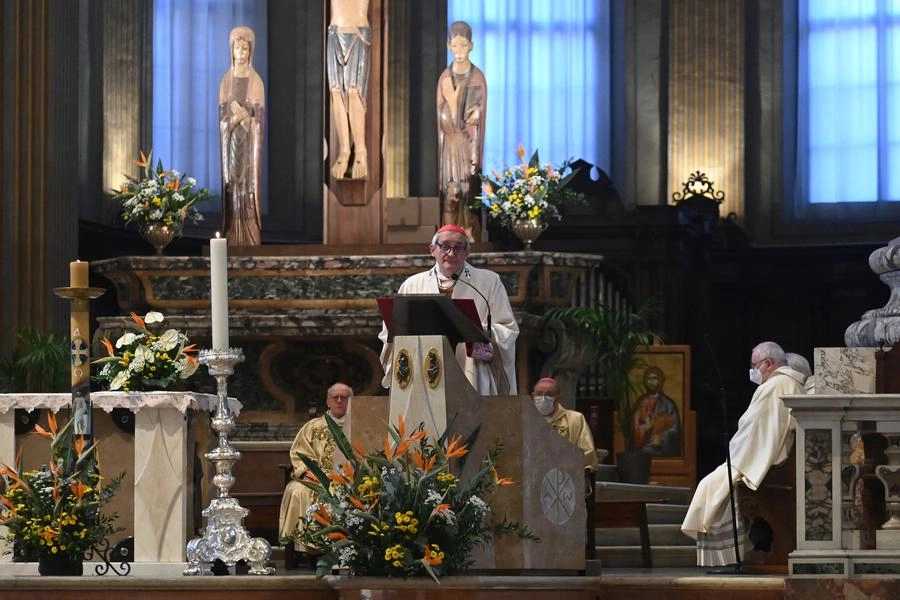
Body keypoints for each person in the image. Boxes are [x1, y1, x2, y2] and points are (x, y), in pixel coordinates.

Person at [681, 341, 806, 566]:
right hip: (778, 457)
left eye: (754, 364)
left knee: (710, 487)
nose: (752, 370)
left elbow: (753, 430)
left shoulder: (773, 386)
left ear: (768, 363)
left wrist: (736, 457)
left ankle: (726, 559)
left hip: (766, 461)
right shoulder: (789, 382)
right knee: (712, 486)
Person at [379, 224, 518, 395]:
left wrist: (482, 332)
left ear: (467, 252)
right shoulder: (413, 284)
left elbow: (507, 329)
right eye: (445, 247)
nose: (451, 254)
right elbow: (392, 332)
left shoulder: (488, 282)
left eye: (458, 248)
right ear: (432, 250)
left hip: (471, 363)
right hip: (424, 360)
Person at [278, 382, 353, 547]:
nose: (339, 401)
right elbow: (299, 452)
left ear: (351, 401)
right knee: (297, 491)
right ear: (328, 401)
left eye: (344, 397)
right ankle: (306, 544)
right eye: (335, 397)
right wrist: (307, 471)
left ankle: (344, 546)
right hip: (317, 477)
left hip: (349, 477)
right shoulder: (313, 426)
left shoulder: (361, 426)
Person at [437, 21, 487, 241]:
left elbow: (479, 107)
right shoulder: (445, 78)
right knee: (452, 193)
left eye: (463, 45)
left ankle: (469, 233)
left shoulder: (476, 76)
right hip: (450, 143)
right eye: (455, 46)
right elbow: (443, 111)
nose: (459, 51)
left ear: (471, 46)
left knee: (469, 190)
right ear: (449, 46)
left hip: (469, 142)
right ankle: (447, 233)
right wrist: (451, 101)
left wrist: (477, 110)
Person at [219, 25, 265, 246]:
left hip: (248, 146)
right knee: (232, 189)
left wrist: (246, 119)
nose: (241, 52)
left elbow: (259, 117)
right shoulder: (226, 81)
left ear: (250, 51)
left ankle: (248, 233)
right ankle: (233, 232)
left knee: (247, 189)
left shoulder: (256, 81)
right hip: (231, 146)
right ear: (231, 50)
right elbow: (221, 117)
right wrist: (233, 120)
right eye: (237, 48)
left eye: (245, 48)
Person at [327, 0, 371, 179]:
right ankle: (344, 149)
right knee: (336, 92)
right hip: (335, 31)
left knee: (354, 92)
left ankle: (361, 150)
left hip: (358, 32)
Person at [532, 377, 598, 468]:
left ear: (558, 398)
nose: (543, 398)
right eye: (539, 394)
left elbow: (587, 453)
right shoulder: (526, 420)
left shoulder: (575, 419)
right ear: (533, 397)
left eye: (548, 394)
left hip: (565, 474)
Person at [632, 366, 682, 456]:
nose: (651, 382)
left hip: (661, 450)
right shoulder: (640, 403)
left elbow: (675, 430)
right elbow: (633, 427)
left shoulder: (668, 404)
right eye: (649, 379)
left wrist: (661, 438)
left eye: (654, 378)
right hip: (643, 448)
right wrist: (645, 428)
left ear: (660, 381)